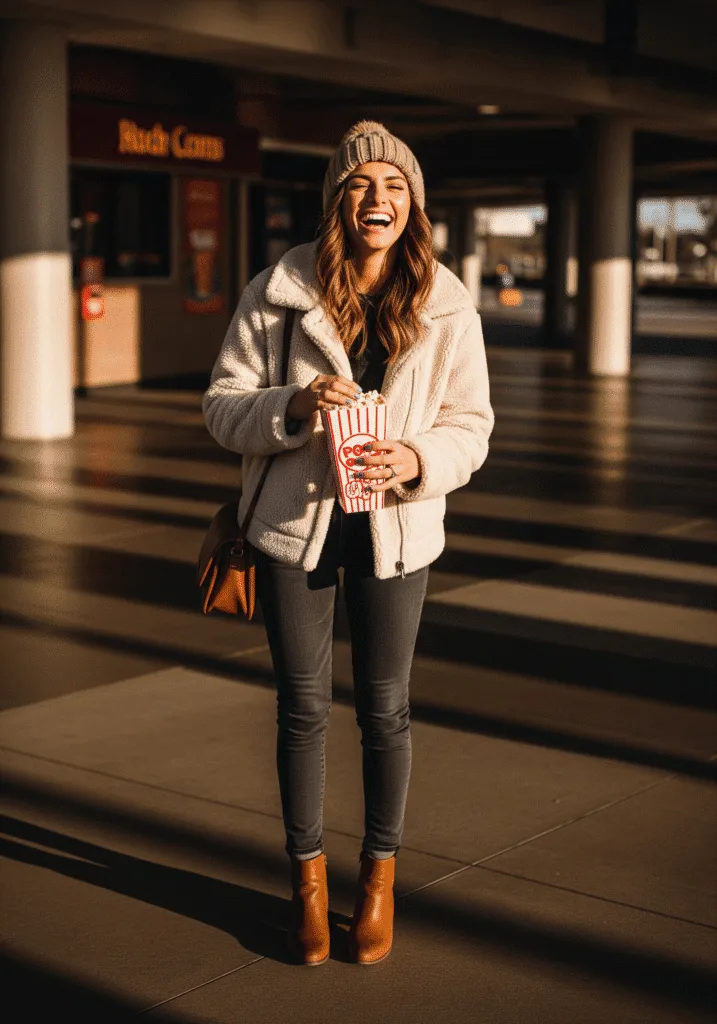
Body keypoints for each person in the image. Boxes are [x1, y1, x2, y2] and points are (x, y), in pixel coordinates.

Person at [202, 121, 494, 966]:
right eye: (363, 185)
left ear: (415, 206)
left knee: (385, 710)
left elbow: (470, 427)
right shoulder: (277, 291)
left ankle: (376, 886)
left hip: (396, 533)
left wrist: (416, 457)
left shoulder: (445, 303)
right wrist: (292, 408)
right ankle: (307, 885)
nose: (380, 200)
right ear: (338, 200)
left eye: (395, 187)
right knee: (300, 709)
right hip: (296, 536)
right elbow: (222, 404)